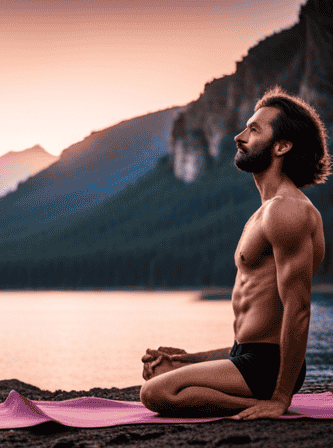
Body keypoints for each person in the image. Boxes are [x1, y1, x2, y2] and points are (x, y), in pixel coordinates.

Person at [139, 86, 330, 420]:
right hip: (249, 357)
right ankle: (248, 395)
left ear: (282, 146)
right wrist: (189, 360)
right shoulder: (263, 214)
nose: (239, 137)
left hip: (269, 368)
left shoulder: (288, 211)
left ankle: (263, 407)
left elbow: (298, 309)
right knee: (164, 374)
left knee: (156, 392)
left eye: (254, 129)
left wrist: (280, 398)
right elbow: (256, 336)